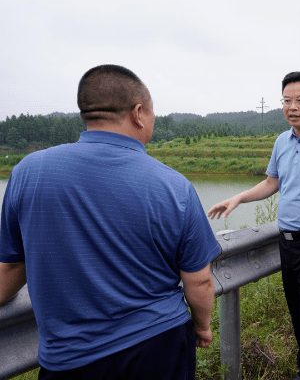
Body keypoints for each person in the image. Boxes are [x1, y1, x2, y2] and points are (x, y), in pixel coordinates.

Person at [0, 64, 220, 379]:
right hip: (157, 346)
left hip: (68, 359)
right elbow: (199, 281)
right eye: (153, 113)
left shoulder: (27, 172)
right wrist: (203, 327)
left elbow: (11, 268)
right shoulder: (173, 185)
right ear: (139, 112)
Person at [207, 71, 300, 380]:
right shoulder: (282, 141)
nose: (292, 106)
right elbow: (272, 183)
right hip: (287, 243)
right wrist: (238, 198)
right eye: (287, 100)